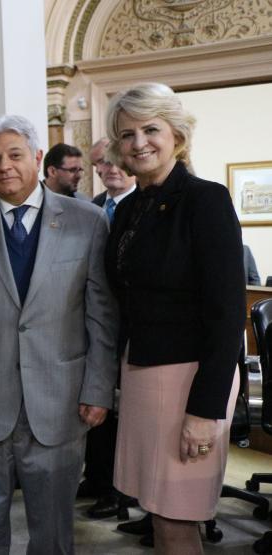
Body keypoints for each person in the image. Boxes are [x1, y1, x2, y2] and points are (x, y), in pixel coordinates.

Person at [0, 114, 118, 554]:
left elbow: (101, 316)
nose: (4, 166)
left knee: (52, 533)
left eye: (15, 155)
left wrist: (99, 388)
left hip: (62, 402)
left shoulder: (86, 222)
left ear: (36, 158)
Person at [104, 82, 244, 554]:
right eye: (126, 134)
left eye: (150, 129)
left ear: (177, 135)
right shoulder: (128, 209)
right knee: (158, 516)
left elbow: (227, 314)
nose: (138, 142)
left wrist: (204, 412)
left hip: (190, 380)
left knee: (177, 521)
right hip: (142, 373)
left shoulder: (205, 200)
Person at [79, 137, 138, 520]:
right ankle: (99, 481)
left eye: (117, 161)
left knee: (127, 416)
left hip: (134, 329)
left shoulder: (143, 205)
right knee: (97, 409)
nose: (111, 168)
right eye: (103, 162)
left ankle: (123, 491)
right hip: (95, 329)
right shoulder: (91, 210)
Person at [90, 138, 137, 224]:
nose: (113, 170)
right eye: (105, 163)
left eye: (119, 162)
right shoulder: (94, 205)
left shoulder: (145, 205)